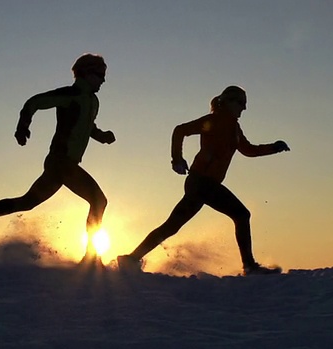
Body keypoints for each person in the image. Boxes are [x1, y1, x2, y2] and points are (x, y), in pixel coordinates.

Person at [118, 85, 290, 275]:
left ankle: (130, 259)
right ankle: (249, 266)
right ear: (228, 102)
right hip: (202, 182)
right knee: (241, 215)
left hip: (204, 184)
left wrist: (274, 147)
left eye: (245, 104)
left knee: (172, 225)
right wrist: (177, 159)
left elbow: (248, 150)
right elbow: (180, 130)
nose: (244, 108)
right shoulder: (214, 120)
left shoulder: (234, 127)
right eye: (241, 103)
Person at [0, 53, 115, 260]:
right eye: (99, 74)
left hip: (61, 165)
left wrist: (101, 135)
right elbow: (34, 102)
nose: (103, 80)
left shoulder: (92, 101)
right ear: (85, 74)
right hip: (61, 162)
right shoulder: (71, 95)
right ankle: (91, 259)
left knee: (27, 202)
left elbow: (86, 127)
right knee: (98, 201)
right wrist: (22, 126)